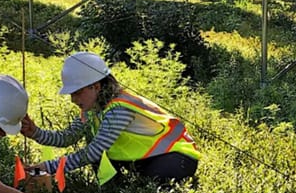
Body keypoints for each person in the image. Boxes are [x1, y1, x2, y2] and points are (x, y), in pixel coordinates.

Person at [21, 52, 200, 185]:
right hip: (144, 159)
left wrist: (49, 167)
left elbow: (93, 151)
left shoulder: (119, 109)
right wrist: (35, 133)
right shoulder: (92, 109)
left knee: (146, 191)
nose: (73, 100)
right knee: (113, 175)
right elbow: (67, 137)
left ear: (96, 87)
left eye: (77, 93)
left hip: (176, 158)